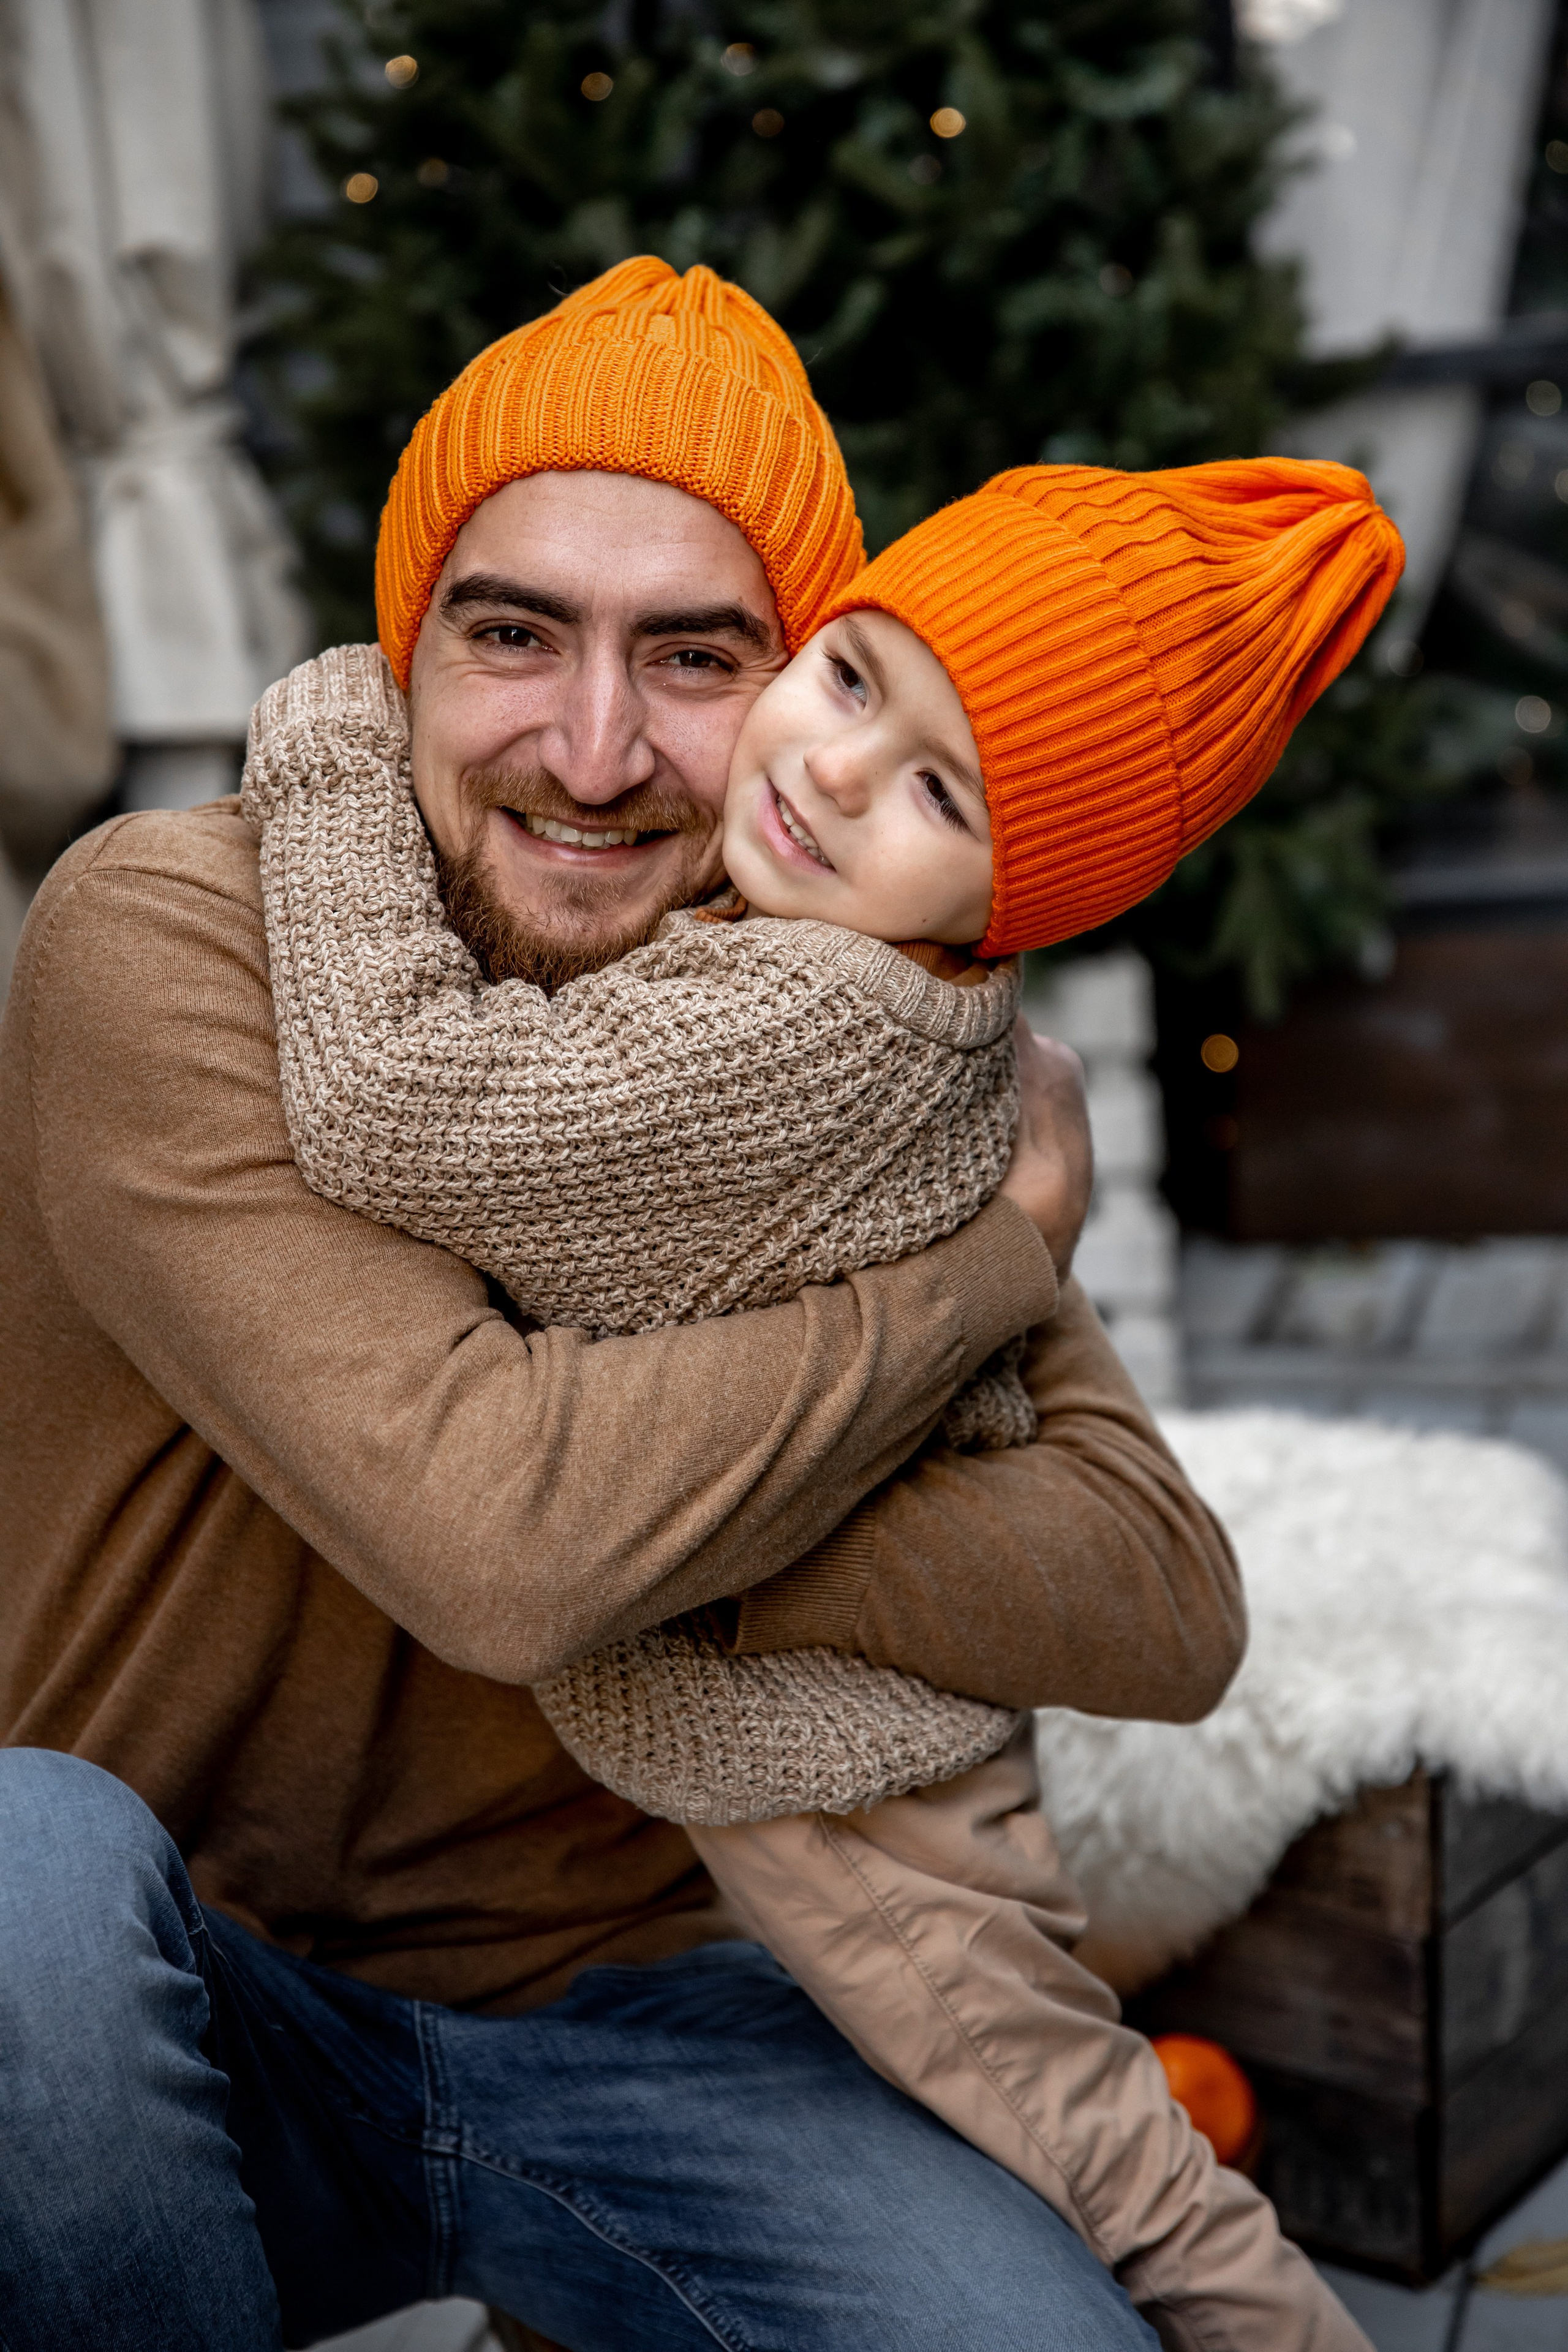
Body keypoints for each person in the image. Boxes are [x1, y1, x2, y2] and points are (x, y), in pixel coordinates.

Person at [2, 258, 1245, 2352]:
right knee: (7, 1875)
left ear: (794, 690)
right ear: (407, 648)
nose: (591, 751)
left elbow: (1156, 1597)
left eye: (694, 656)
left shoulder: (843, 1041)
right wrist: (988, 1264)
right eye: (513, 636)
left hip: (662, 2012)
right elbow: (501, 1549)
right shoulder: (168, 936)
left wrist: (663, 1526)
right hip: (183, 2005)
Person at [243, 449, 1400, 2352]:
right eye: (855, 679)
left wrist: (328, 728)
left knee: (1111, 2173)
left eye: (941, 791)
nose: (836, 770)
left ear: (1012, 900)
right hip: (857, 1747)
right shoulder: (832, 962)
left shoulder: (818, 1022)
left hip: (864, 1796)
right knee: (1075, 2122)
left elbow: (400, 1104)